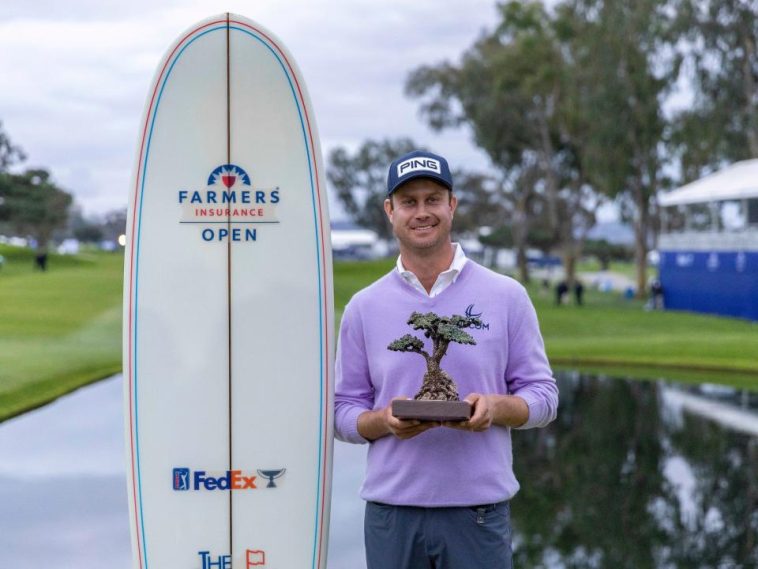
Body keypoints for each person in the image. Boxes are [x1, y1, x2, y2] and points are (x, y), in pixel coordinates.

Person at [334, 149, 559, 569]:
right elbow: (342, 412)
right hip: (391, 514)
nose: (422, 212)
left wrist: (495, 407)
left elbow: (543, 398)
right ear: (390, 210)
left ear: (452, 205)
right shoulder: (364, 307)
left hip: (478, 514)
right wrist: (384, 421)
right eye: (409, 201)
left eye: (433, 199)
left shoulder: (507, 296)